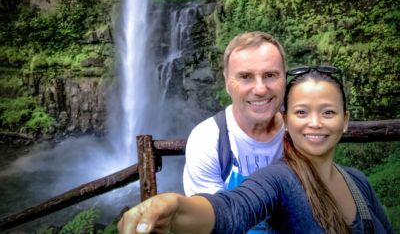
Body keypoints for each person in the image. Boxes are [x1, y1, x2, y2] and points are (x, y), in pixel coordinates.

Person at [118, 66, 394, 234]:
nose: (315, 123)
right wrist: (175, 209)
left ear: (345, 121)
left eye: (328, 112)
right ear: (285, 122)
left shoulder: (358, 181)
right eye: (301, 112)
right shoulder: (278, 180)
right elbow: (231, 210)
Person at [183, 31, 286, 196]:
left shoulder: (302, 132)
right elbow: (213, 216)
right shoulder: (208, 140)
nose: (260, 89)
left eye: (270, 75)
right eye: (245, 77)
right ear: (227, 82)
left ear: (285, 77)